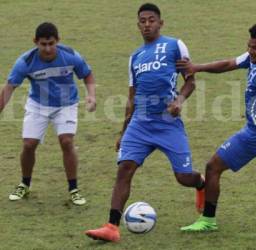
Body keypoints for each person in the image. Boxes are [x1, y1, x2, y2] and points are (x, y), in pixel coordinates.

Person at [85, 3, 205, 242]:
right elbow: (132, 97)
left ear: (161, 23)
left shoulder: (174, 45)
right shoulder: (135, 57)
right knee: (124, 169)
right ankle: (111, 226)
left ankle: (200, 183)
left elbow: (190, 81)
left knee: (183, 177)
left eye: (151, 20)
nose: (147, 24)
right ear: (138, 24)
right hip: (140, 124)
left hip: (168, 124)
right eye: (143, 21)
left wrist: (179, 100)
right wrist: (123, 131)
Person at [177, 23, 256, 232]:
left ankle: (208, 220)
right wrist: (196, 67)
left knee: (213, 167)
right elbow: (228, 64)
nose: (251, 51)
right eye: (250, 46)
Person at [0, 22, 96, 205]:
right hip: (38, 105)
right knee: (28, 145)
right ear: (35, 42)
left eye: (51, 43)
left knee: (67, 141)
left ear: (57, 41)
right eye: (43, 44)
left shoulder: (71, 56)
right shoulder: (25, 62)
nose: (48, 48)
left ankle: (73, 188)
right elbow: (9, 88)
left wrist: (91, 96)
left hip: (66, 105)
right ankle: (24, 184)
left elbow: (87, 74)